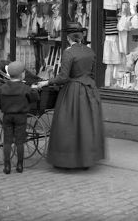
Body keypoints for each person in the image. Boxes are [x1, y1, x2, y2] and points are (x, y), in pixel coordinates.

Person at [36, 22, 106, 170]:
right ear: (80, 36)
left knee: (67, 126)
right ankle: (86, 159)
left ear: (68, 37)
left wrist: (45, 83)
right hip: (89, 91)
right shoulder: (90, 51)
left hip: (73, 93)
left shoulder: (68, 52)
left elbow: (63, 77)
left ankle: (66, 161)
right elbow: (92, 74)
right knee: (86, 126)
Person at [0, 60, 39, 174]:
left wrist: (2, 106)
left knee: (7, 141)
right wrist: (33, 91)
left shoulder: (2, 88)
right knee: (19, 142)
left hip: (7, 116)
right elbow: (35, 97)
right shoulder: (25, 88)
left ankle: (7, 167)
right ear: (22, 74)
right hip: (21, 117)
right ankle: (20, 166)